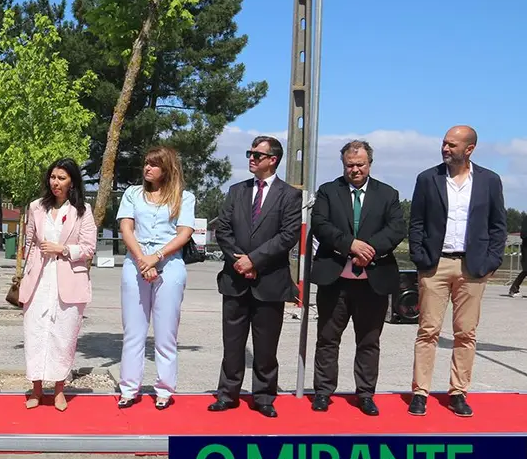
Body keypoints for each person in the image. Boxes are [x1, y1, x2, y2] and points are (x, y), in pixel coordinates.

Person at [407, 125, 507, 417]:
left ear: (470, 149)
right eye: (444, 143)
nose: (445, 149)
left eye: (452, 145)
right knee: (428, 331)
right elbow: (417, 222)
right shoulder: (428, 178)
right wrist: (420, 257)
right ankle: (420, 392)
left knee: (465, 333)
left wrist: (491, 262)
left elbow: (497, 226)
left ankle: (459, 392)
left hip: (473, 267)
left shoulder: (490, 181)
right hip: (435, 265)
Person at [309, 140, 405, 416]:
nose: (355, 170)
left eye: (360, 164)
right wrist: (351, 245)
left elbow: (396, 228)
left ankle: (365, 394)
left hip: (373, 281)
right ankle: (323, 392)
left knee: (368, 341)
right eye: (350, 165)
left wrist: (369, 249)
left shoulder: (388, 194)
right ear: (343, 165)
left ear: (370, 164)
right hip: (334, 279)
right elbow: (321, 225)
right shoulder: (328, 191)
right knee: (327, 339)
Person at [209, 135, 302, 418]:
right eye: (249, 153)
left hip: (269, 281)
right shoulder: (236, 191)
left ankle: (263, 396)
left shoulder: (289, 195)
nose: (251, 158)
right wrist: (239, 260)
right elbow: (223, 229)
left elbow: (287, 236)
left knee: (265, 345)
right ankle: (228, 394)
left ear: (273, 160)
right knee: (233, 343)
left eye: (257, 155)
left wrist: (255, 261)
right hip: (235, 279)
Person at [114, 146, 196, 411]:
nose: (147, 168)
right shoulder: (132, 194)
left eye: (154, 164)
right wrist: (142, 259)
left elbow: (183, 233)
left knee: (165, 333)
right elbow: (126, 227)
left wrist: (157, 256)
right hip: (135, 263)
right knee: (134, 331)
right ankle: (128, 387)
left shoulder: (184, 198)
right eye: (146, 164)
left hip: (169, 265)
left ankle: (164, 388)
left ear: (167, 168)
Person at [18, 158, 97, 412]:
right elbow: (28, 242)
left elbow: (89, 248)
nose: (56, 182)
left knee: (63, 336)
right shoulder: (36, 207)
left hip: (68, 281)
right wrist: (28, 269)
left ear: (72, 181)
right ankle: (37, 389)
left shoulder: (83, 211)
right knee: (36, 334)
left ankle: (60, 389)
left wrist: (63, 249)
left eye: (62, 178)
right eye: (53, 177)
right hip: (39, 281)